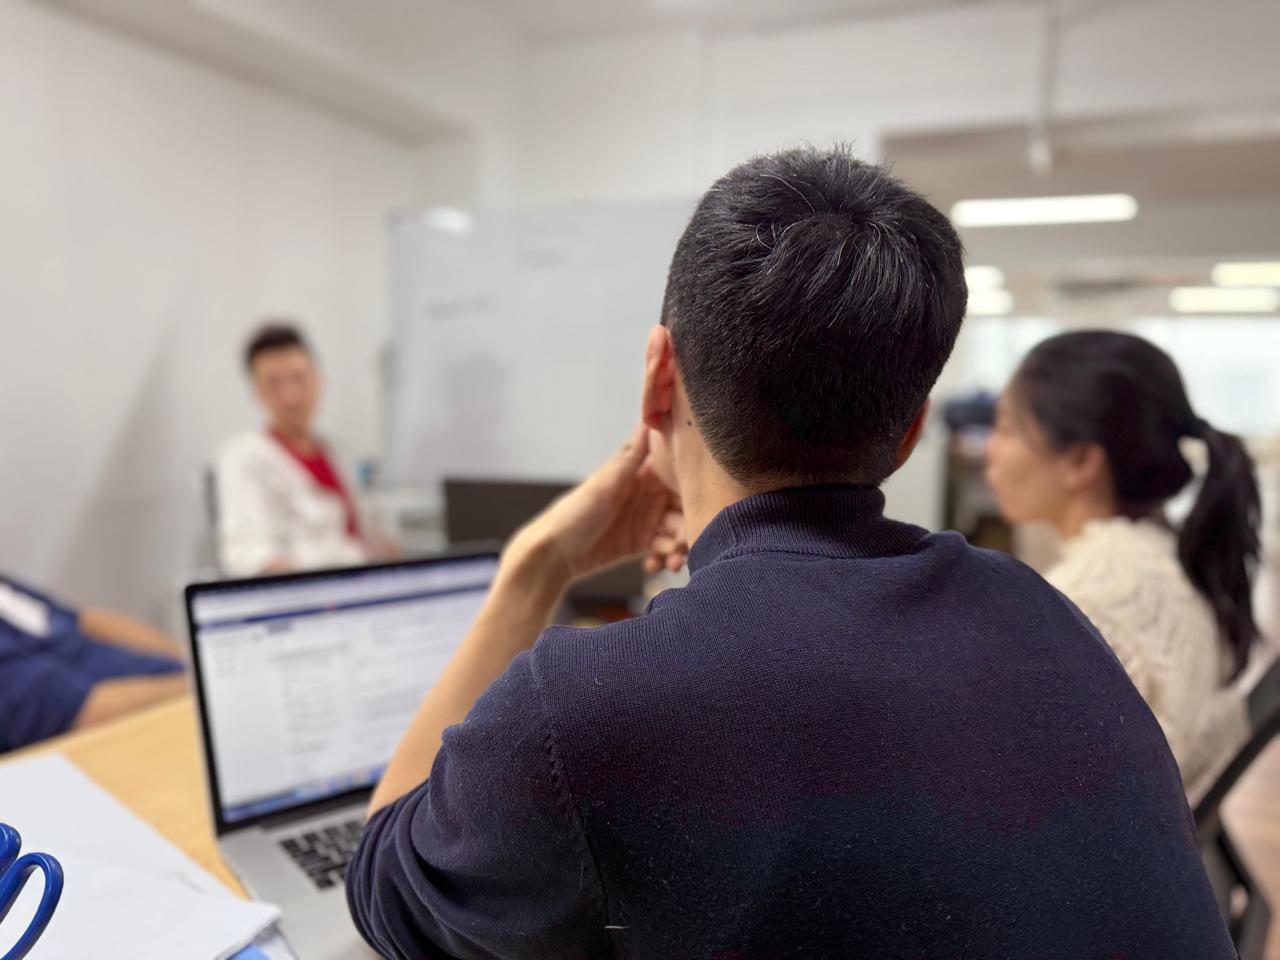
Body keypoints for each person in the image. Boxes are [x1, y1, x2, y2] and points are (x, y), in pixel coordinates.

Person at [346, 148, 1233, 959]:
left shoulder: (582, 708)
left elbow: (381, 880)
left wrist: (531, 572)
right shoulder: (1040, 611)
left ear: (659, 378)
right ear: (911, 431)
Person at [984, 330, 1259, 794]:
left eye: (1007, 428)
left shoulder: (1096, 596)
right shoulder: (1160, 554)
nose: (989, 449)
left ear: (1080, 461)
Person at [216, 323, 382, 576]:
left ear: (319, 380)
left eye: (299, 379)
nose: (291, 397)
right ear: (257, 392)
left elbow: (362, 534)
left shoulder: (336, 451)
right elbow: (246, 558)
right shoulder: (244, 459)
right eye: (274, 384)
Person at [0, 574, 185, 752]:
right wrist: (201, 683)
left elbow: (84, 620)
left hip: (173, 696)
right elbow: (80, 711)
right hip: (122, 738)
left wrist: (190, 655)